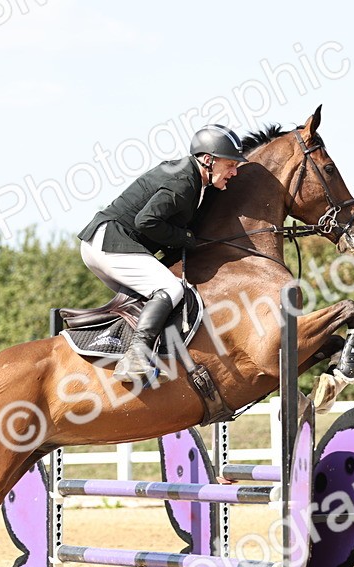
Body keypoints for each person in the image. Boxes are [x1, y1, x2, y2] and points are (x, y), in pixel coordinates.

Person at [77, 124, 248, 382]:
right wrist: (186, 239)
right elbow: (146, 221)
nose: (234, 172)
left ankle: (121, 348)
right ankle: (135, 357)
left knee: (148, 300)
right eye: (230, 165)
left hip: (102, 243)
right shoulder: (184, 181)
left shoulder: (193, 179)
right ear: (208, 160)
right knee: (171, 288)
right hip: (111, 241)